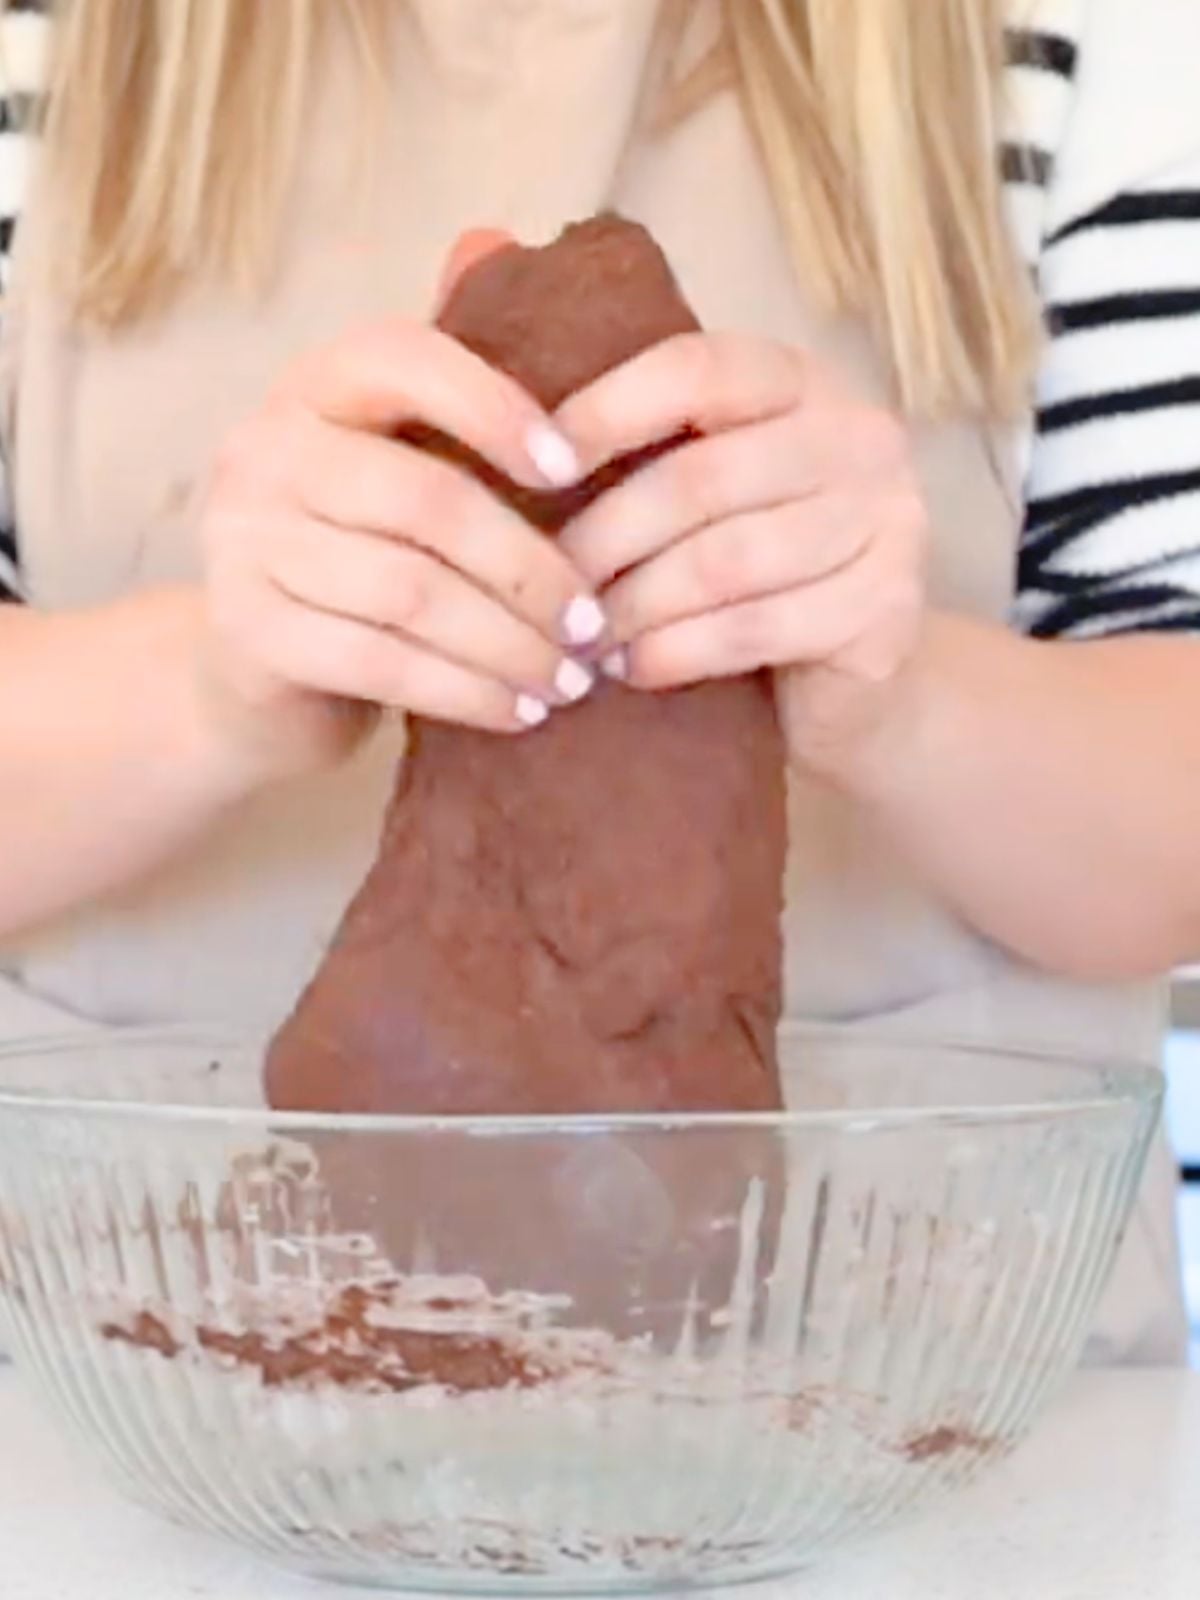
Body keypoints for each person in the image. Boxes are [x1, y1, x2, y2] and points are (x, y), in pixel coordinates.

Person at [0, 0, 1194, 1362]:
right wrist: (208, 684)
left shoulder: (1082, 30)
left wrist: (904, 696)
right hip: (128, 1421)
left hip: (919, 1425)